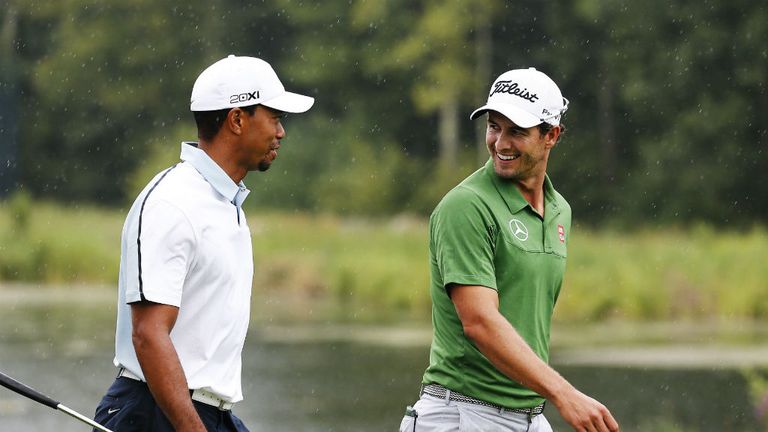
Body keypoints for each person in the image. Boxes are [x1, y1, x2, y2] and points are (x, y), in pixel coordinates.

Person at [93, 55, 314, 431]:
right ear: (238, 119)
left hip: (206, 413)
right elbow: (148, 333)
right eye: (274, 118)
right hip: (155, 413)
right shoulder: (172, 202)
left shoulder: (226, 204)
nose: (281, 132)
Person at [398, 68, 619, 432]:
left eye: (516, 131)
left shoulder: (560, 209)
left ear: (552, 135)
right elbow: (480, 323)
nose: (500, 143)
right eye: (494, 126)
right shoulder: (466, 206)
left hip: (529, 416)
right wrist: (563, 394)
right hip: (461, 416)